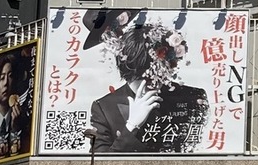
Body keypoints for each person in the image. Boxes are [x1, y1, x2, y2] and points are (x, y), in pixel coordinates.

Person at [84, 14, 211, 154]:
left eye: (159, 75)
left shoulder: (192, 97)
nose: (153, 83)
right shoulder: (105, 108)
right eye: (142, 78)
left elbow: (203, 149)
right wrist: (131, 126)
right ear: (128, 72)